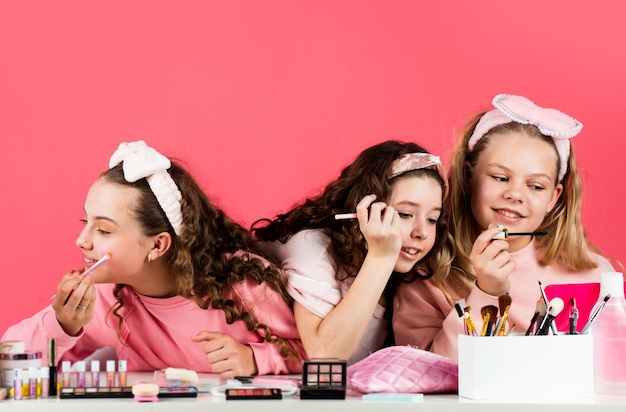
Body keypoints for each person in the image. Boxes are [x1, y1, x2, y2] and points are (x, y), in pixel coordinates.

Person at [3, 140, 306, 378]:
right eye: (85, 223)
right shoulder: (107, 299)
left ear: (158, 245)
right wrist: (62, 325)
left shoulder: (243, 285)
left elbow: (321, 353)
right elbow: (9, 361)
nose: (81, 241)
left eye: (104, 230)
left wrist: (255, 359)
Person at [393, 94, 615, 359]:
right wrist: (484, 292)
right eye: (500, 177)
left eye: (535, 186)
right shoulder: (426, 277)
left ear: (553, 198)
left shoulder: (595, 274)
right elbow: (428, 376)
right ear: (468, 175)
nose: (515, 194)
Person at [252, 140, 453, 364]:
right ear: (364, 209)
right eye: (405, 214)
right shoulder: (313, 248)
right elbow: (326, 356)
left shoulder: (405, 276)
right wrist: (380, 258)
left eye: (432, 218)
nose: (422, 232)